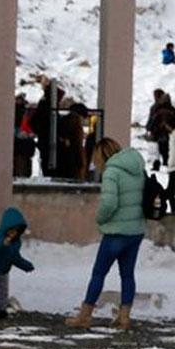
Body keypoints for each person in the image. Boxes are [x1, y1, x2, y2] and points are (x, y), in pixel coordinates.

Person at [64, 139, 146, 330]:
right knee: (127, 275)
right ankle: (124, 317)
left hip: (115, 232)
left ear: (101, 155)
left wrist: (100, 219)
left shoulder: (112, 172)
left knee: (99, 273)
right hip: (135, 231)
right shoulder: (137, 168)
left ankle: (85, 315)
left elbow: (109, 204)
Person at [0, 207, 35, 319]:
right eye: (11, 230)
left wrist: (26, 266)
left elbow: (14, 257)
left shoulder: (16, 243)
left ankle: (2, 311)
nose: (13, 233)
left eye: (16, 231)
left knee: (3, 292)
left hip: (3, 271)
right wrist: (3, 244)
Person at [146, 89, 175, 161]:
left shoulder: (155, 107)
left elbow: (151, 120)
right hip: (168, 132)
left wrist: (149, 128)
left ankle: (161, 163)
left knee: (158, 150)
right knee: (164, 149)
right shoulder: (171, 108)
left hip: (160, 132)